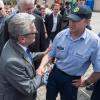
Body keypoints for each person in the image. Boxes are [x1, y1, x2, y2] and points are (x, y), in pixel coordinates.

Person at [38, 5, 100, 100]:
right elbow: (50, 54)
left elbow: (98, 71)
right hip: (55, 73)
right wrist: (41, 66)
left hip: (72, 80)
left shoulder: (94, 42)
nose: (71, 23)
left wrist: (85, 82)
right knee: (49, 96)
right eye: (70, 19)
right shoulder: (61, 35)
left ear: (87, 22)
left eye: (76, 21)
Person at [0, 13, 46, 100]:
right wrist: (39, 73)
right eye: (34, 31)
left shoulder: (13, 42)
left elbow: (27, 56)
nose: (36, 31)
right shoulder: (12, 62)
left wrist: (43, 53)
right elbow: (29, 88)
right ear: (22, 39)